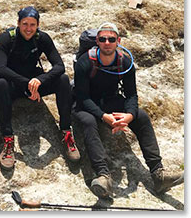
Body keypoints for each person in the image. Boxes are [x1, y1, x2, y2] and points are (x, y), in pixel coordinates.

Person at [73, 21, 184, 199]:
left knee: (142, 116)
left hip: (111, 100)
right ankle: (103, 176)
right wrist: (104, 117)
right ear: (98, 42)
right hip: (87, 104)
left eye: (111, 39)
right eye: (102, 39)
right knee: (88, 121)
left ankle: (158, 174)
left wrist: (129, 115)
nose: (107, 42)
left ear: (118, 40)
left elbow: (131, 94)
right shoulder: (85, 62)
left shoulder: (125, 62)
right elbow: (82, 97)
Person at [0, 6, 80, 170]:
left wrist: (40, 80)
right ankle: (8, 139)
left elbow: (59, 66)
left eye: (32, 25)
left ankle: (66, 131)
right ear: (18, 23)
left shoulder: (42, 38)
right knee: (0, 84)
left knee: (62, 80)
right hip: (13, 84)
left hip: (34, 82)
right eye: (25, 24)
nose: (28, 28)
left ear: (38, 25)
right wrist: (27, 84)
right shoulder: (7, 38)